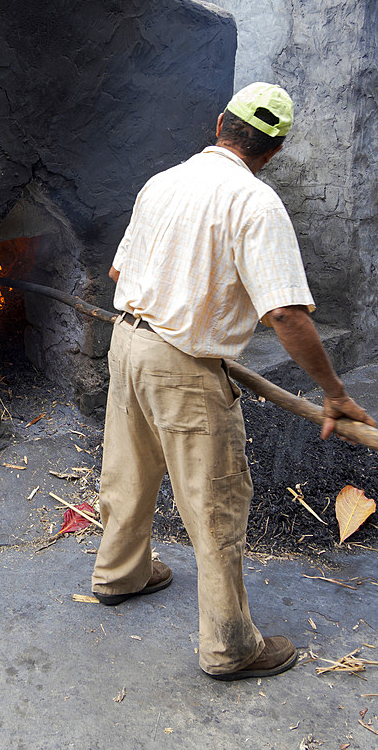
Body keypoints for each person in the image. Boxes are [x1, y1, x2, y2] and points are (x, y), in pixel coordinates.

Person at [90, 82, 376, 680]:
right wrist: (333, 390)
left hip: (127, 342)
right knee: (215, 502)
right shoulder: (255, 202)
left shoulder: (161, 182)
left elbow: (119, 268)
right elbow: (285, 315)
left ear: (220, 123)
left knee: (129, 466)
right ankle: (229, 646)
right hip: (184, 369)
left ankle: (120, 573)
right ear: (274, 150)